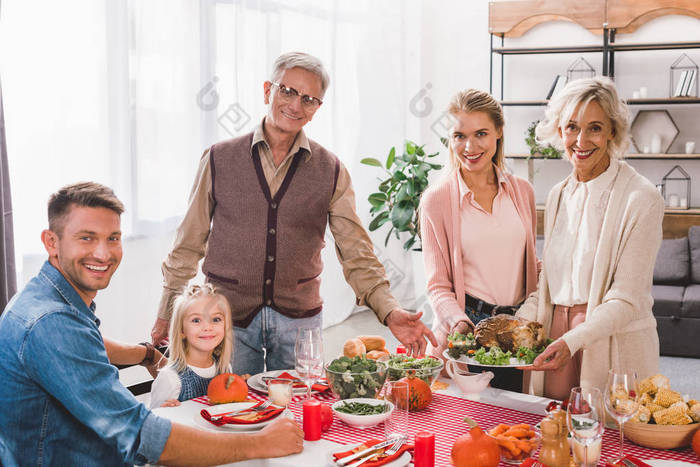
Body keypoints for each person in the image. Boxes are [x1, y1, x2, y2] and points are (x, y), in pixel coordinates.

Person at [151, 51, 437, 373]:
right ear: (266, 91)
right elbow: (189, 242)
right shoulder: (218, 159)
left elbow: (356, 252)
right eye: (286, 91)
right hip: (225, 317)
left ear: (317, 109)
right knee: (228, 411)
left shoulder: (331, 170)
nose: (295, 105)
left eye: (309, 99)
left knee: (298, 412)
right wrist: (166, 311)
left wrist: (389, 310)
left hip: (299, 323)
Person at [0, 182, 303, 466]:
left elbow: (85, 344)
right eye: (86, 238)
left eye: (113, 238)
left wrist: (145, 354)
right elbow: (141, 438)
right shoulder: (51, 322)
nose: (103, 253)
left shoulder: (44, 298)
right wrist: (259, 444)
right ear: (51, 242)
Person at [516, 77, 664, 399]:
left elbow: (626, 299)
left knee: (607, 440)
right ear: (559, 132)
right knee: (551, 436)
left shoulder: (642, 198)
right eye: (572, 127)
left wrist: (573, 339)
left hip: (610, 340)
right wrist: (514, 325)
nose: (581, 140)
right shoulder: (558, 195)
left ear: (612, 131)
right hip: (555, 336)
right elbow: (549, 286)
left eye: (594, 128)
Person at [420, 89, 540, 392]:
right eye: (459, 135)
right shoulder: (436, 200)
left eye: (481, 133)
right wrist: (458, 322)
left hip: (517, 328)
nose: (469, 146)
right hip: (468, 328)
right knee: (467, 425)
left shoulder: (522, 191)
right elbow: (437, 285)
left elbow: (529, 264)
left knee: (515, 424)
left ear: (499, 132)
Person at [150, 283, 233, 408]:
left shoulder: (224, 368)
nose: (207, 327)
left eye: (216, 319)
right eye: (196, 320)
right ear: (181, 331)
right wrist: (167, 412)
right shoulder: (170, 379)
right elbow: (152, 423)